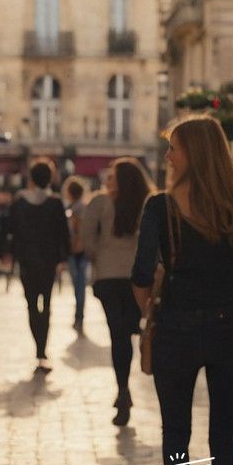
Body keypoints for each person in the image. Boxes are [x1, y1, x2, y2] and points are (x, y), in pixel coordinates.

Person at [133, 115, 233, 465]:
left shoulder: (161, 207)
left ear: (192, 153)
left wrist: (151, 312)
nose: (168, 156)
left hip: (176, 330)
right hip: (231, 332)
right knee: (224, 438)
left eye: (174, 147)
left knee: (175, 430)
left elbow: (141, 275)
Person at [82, 157, 152, 427]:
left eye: (111, 177)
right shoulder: (148, 202)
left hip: (109, 277)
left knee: (118, 335)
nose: (108, 181)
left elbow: (87, 241)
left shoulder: (99, 203)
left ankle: (123, 390)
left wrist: (100, 255)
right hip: (139, 279)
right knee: (136, 330)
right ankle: (131, 387)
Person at [9, 158, 71, 374]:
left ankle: (39, 347)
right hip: (48, 262)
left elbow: (11, 232)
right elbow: (63, 234)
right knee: (46, 304)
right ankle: (41, 349)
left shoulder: (19, 203)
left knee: (31, 304)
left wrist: (10, 254)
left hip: (27, 261)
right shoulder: (55, 204)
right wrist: (63, 259)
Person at [65, 177, 89, 333]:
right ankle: (79, 316)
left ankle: (79, 317)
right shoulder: (84, 207)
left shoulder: (75, 209)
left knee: (78, 286)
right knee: (80, 286)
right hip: (83, 250)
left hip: (76, 251)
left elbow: (76, 229)